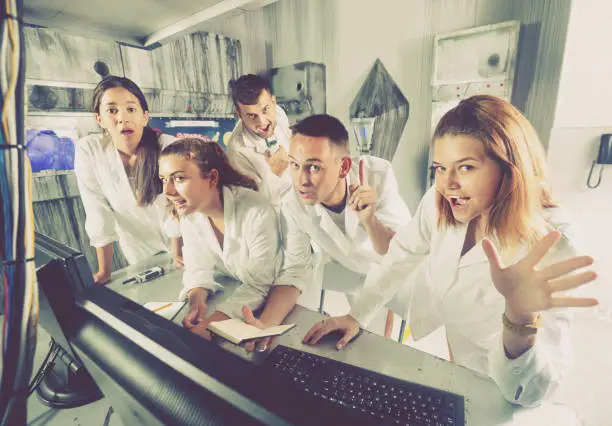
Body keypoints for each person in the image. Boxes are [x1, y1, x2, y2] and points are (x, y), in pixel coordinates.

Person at [303, 95, 599, 407]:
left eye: (466, 167)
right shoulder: (440, 202)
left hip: (513, 385)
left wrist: (520, 318)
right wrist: (357, 315)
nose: (448, 184)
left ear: (511, 169)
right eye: (441, 168)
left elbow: (535, 390)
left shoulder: (552, 242)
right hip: (460, 356)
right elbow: (399, 255)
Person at [159, 138, 301, 351]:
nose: (167, 191)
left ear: (212, 178)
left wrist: (211, 325)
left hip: (285, 301)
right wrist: (196, 300)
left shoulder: (256, 210)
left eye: (179, 179)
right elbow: (198, 265)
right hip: (242, 295)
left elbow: (258, 283)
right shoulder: (191, 212)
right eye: (163, 179)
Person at [276, 114, 412, 337]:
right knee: (362, 340)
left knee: (382, 343)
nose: (301, 180)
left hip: (394, 275)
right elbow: (295, 268)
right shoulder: (292, 202)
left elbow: (400, 253)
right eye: (294, 164)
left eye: (314, 168)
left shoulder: (377, 175)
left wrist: (370, 221)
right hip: (352, 270)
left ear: (343, 167)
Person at [74, 76, 177, 284]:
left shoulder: (168, 147)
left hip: (187, 247)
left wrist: (180, 256)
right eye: (112, 110)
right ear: (99, 119)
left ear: (145, 116)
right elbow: (97, 212)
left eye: (131, 109)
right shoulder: (90, 151)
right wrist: (104, 272)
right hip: (142, 257)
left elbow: (182, 209)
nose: (122, 118)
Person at [226, 74, 292, 207]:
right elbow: (255, 204)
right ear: (239, 115)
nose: (262, 122)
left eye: (265, 109)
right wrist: (274, 173)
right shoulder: (237, 151)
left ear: (273, 101)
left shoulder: (278, 113)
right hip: (277, 213)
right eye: (251, 115)